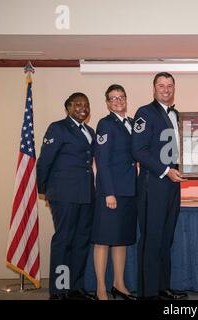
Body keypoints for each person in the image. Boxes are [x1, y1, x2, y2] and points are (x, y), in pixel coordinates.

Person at [131, 72, 188, 300]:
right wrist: (166, 171)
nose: (166, 89)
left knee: (166, 238)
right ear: (153, 88)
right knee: (152, 239)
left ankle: (163, 287)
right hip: (152, 185)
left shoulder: (176, 115)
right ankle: (149, 292)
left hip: (173, 185)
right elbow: (138, 150)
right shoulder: (145, 113)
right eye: (161, 85)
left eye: (170, 85)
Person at [36, 92, 97, 300]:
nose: (83, 108)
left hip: (86, 195)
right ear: (68, 107)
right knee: (64, 240)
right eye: (77, 104)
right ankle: (60, 289)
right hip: (64, 195)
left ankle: (76, 287)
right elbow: (45, 160)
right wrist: (45, 190)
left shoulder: (90, 131)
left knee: (81, 241)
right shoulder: (58, 128)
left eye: (86, 104)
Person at [91, 85, 138, 300]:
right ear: (108, 103)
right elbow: (102, 160)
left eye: (121, 97)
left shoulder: (130, 124)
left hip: (129, 191)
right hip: (111, 193)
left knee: (121, 240)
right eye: (113, 98)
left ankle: (119, 283)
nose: (118, 101)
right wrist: (109, 192)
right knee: (103, 240)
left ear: (126, 100)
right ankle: (101, 287)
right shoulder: (105, 124)